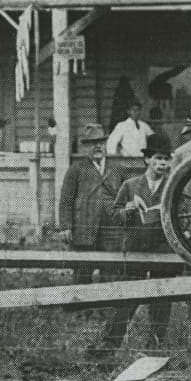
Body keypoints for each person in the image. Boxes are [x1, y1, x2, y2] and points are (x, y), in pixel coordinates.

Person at [90, 133, 175, 355]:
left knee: (161, 299)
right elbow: (114, 214)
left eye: (166, 159)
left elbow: (184, 214)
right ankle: (109, 345)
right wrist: (128, 209)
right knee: (127, 297)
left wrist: (167, 215)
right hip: (136, 246)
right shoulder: (130, 185)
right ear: (147, 160)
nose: (163, 163)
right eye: (158, 158)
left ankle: (155, 347)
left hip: (162, 249)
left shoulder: (174, 186)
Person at [57, 123, 123, 287]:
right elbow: (66, 200)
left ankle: (106, 309)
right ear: (85, 146)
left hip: (110, 232)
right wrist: (66, 226)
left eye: (101, 142)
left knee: (110, 275)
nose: (98, 146)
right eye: (93, 143)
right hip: (84, 230)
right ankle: (81, 311)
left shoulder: (116, 170)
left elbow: (124, 199)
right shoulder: (76, 170)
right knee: (82, 274)